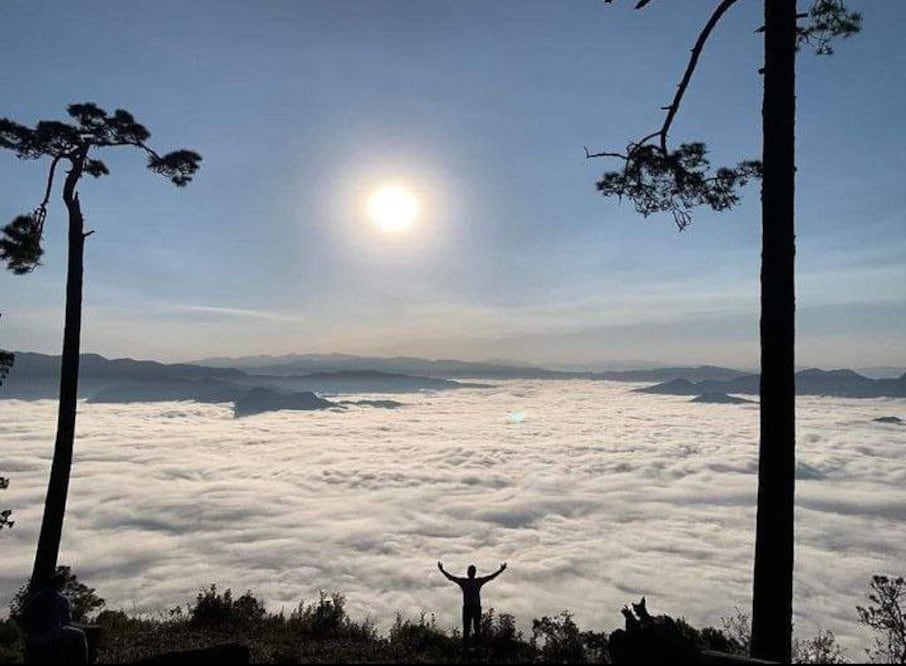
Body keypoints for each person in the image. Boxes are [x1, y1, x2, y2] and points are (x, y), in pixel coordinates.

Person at [21, 571, 89, 664]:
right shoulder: (62, 599)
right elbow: (66, 621)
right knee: (81, 634)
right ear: (61, 584)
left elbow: (26, 616)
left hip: (34, 636)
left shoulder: (36, 597)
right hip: (51, 635)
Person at [437, 560, 507, 648]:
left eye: (471, 571)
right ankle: (471, 648)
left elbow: (451, 578)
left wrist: (442, 570)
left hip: (470, 608)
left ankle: (471, 648)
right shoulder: (476, 581)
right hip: (473, 608)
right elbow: (490, 577)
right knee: (472, 629)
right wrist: (500, 570)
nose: (470, 573)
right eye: (471, 571)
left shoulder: (465, 582)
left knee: (472, 629)